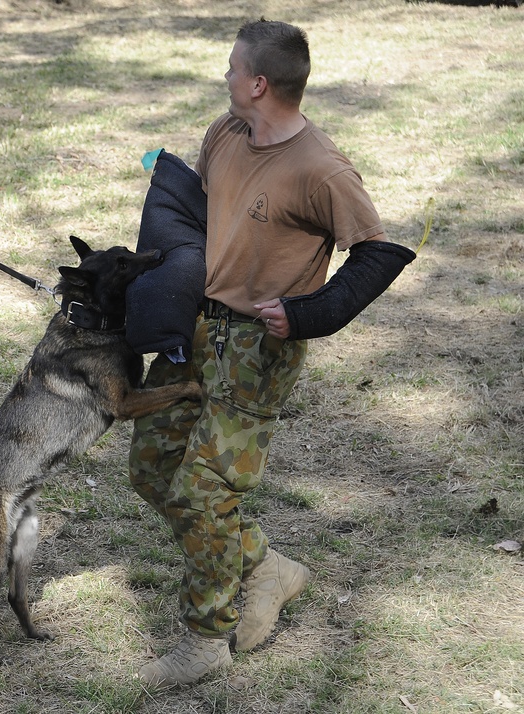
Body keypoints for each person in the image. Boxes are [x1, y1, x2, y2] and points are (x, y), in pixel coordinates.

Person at [128, 19, 415, 686]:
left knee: (202, 491)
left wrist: (309, 314)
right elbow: (198, 220)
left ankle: (204, 642)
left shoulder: (321, 168)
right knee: (150, 469)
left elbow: (374, 255)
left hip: (260, 351)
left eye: (232, 68)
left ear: (259, 83)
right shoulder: (225, 134)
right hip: (195, 330)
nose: (224, 77)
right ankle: (264, 564)